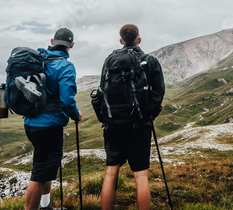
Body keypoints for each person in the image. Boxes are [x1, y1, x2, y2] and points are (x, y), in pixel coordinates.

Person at [99, 24, 165, 210]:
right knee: (141, 174)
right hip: (140, 124)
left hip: (113, 124)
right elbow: (159, 93)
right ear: (139, 39)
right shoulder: (150, 61)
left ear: (121, 41)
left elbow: (103, 91)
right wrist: (148, 115)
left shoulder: (109, 60)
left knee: (111, 172)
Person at [24, 28, 83, 210]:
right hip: (49, 125)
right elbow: (66, 100)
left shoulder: (38, 60)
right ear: (71, 45)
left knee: (46, 168)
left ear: (52, 41)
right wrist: (76, 114)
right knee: (40, 174)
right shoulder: (65, 66)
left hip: (30, 122)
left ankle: (46, 206)